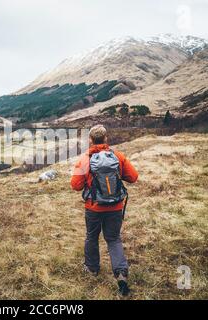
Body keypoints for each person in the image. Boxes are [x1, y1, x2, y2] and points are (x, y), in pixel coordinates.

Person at [70, 125, 138, 296]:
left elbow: (75, 185)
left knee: (92, 237)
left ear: (90, 140)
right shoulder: (118, 157)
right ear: (106, 139)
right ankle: (121, 274)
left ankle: (92, 269)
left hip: (93, 208)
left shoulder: (85, 160)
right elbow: (134, 177)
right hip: (115, 207)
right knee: (114, 239)